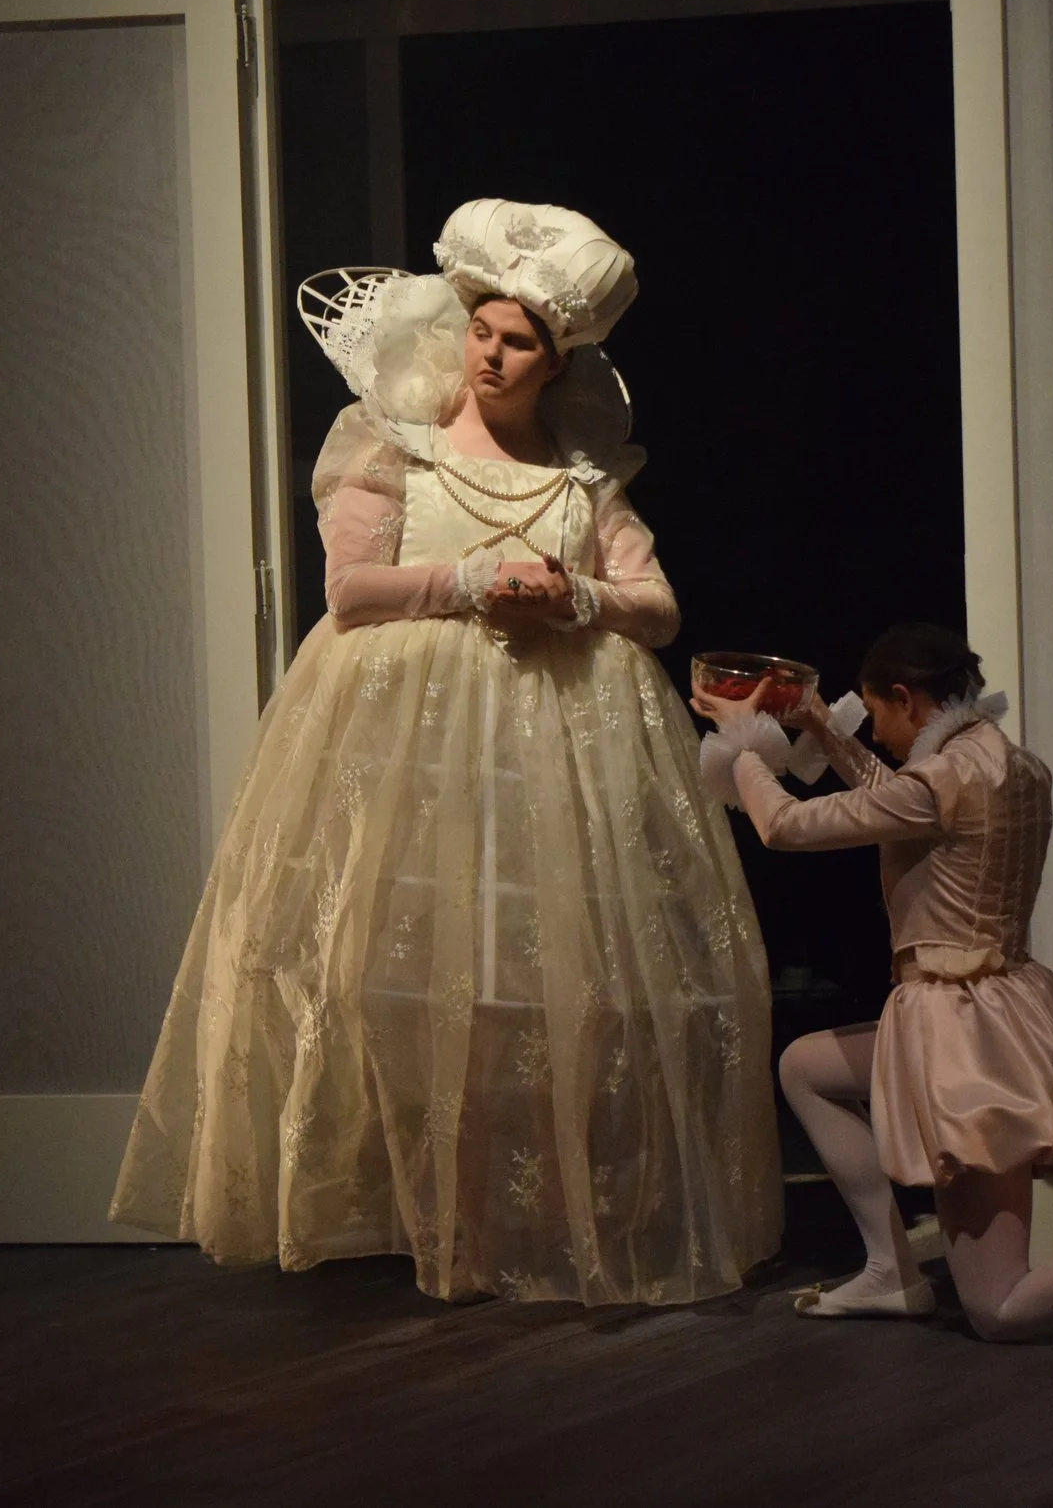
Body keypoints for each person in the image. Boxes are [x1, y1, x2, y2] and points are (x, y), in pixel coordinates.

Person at [110, 200, 779, 1305]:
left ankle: (529, 1219)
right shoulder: (396, 442)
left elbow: (658, 607)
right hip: (411, 743)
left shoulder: (581, 479)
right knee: (399, 972)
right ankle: (415, 1213)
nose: (493, 355)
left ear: (555, 360)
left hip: (554, 744)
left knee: (543, 978)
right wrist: (465, 582)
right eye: (483, 331)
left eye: (520, 342)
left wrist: (574, 597)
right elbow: (349, 590)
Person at [691, 623, 1053, 1346]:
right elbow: (899, 800)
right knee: (806, 1066)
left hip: (965, 1034)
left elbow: (785, 825)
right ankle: (889, 1270)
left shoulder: (944, 779)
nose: (882, 735)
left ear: (906, 698)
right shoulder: (1008, 764)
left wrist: (743, 743)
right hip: (1000, 1004)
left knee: (1000, 1305)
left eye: (880, 715)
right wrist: (825, 732)